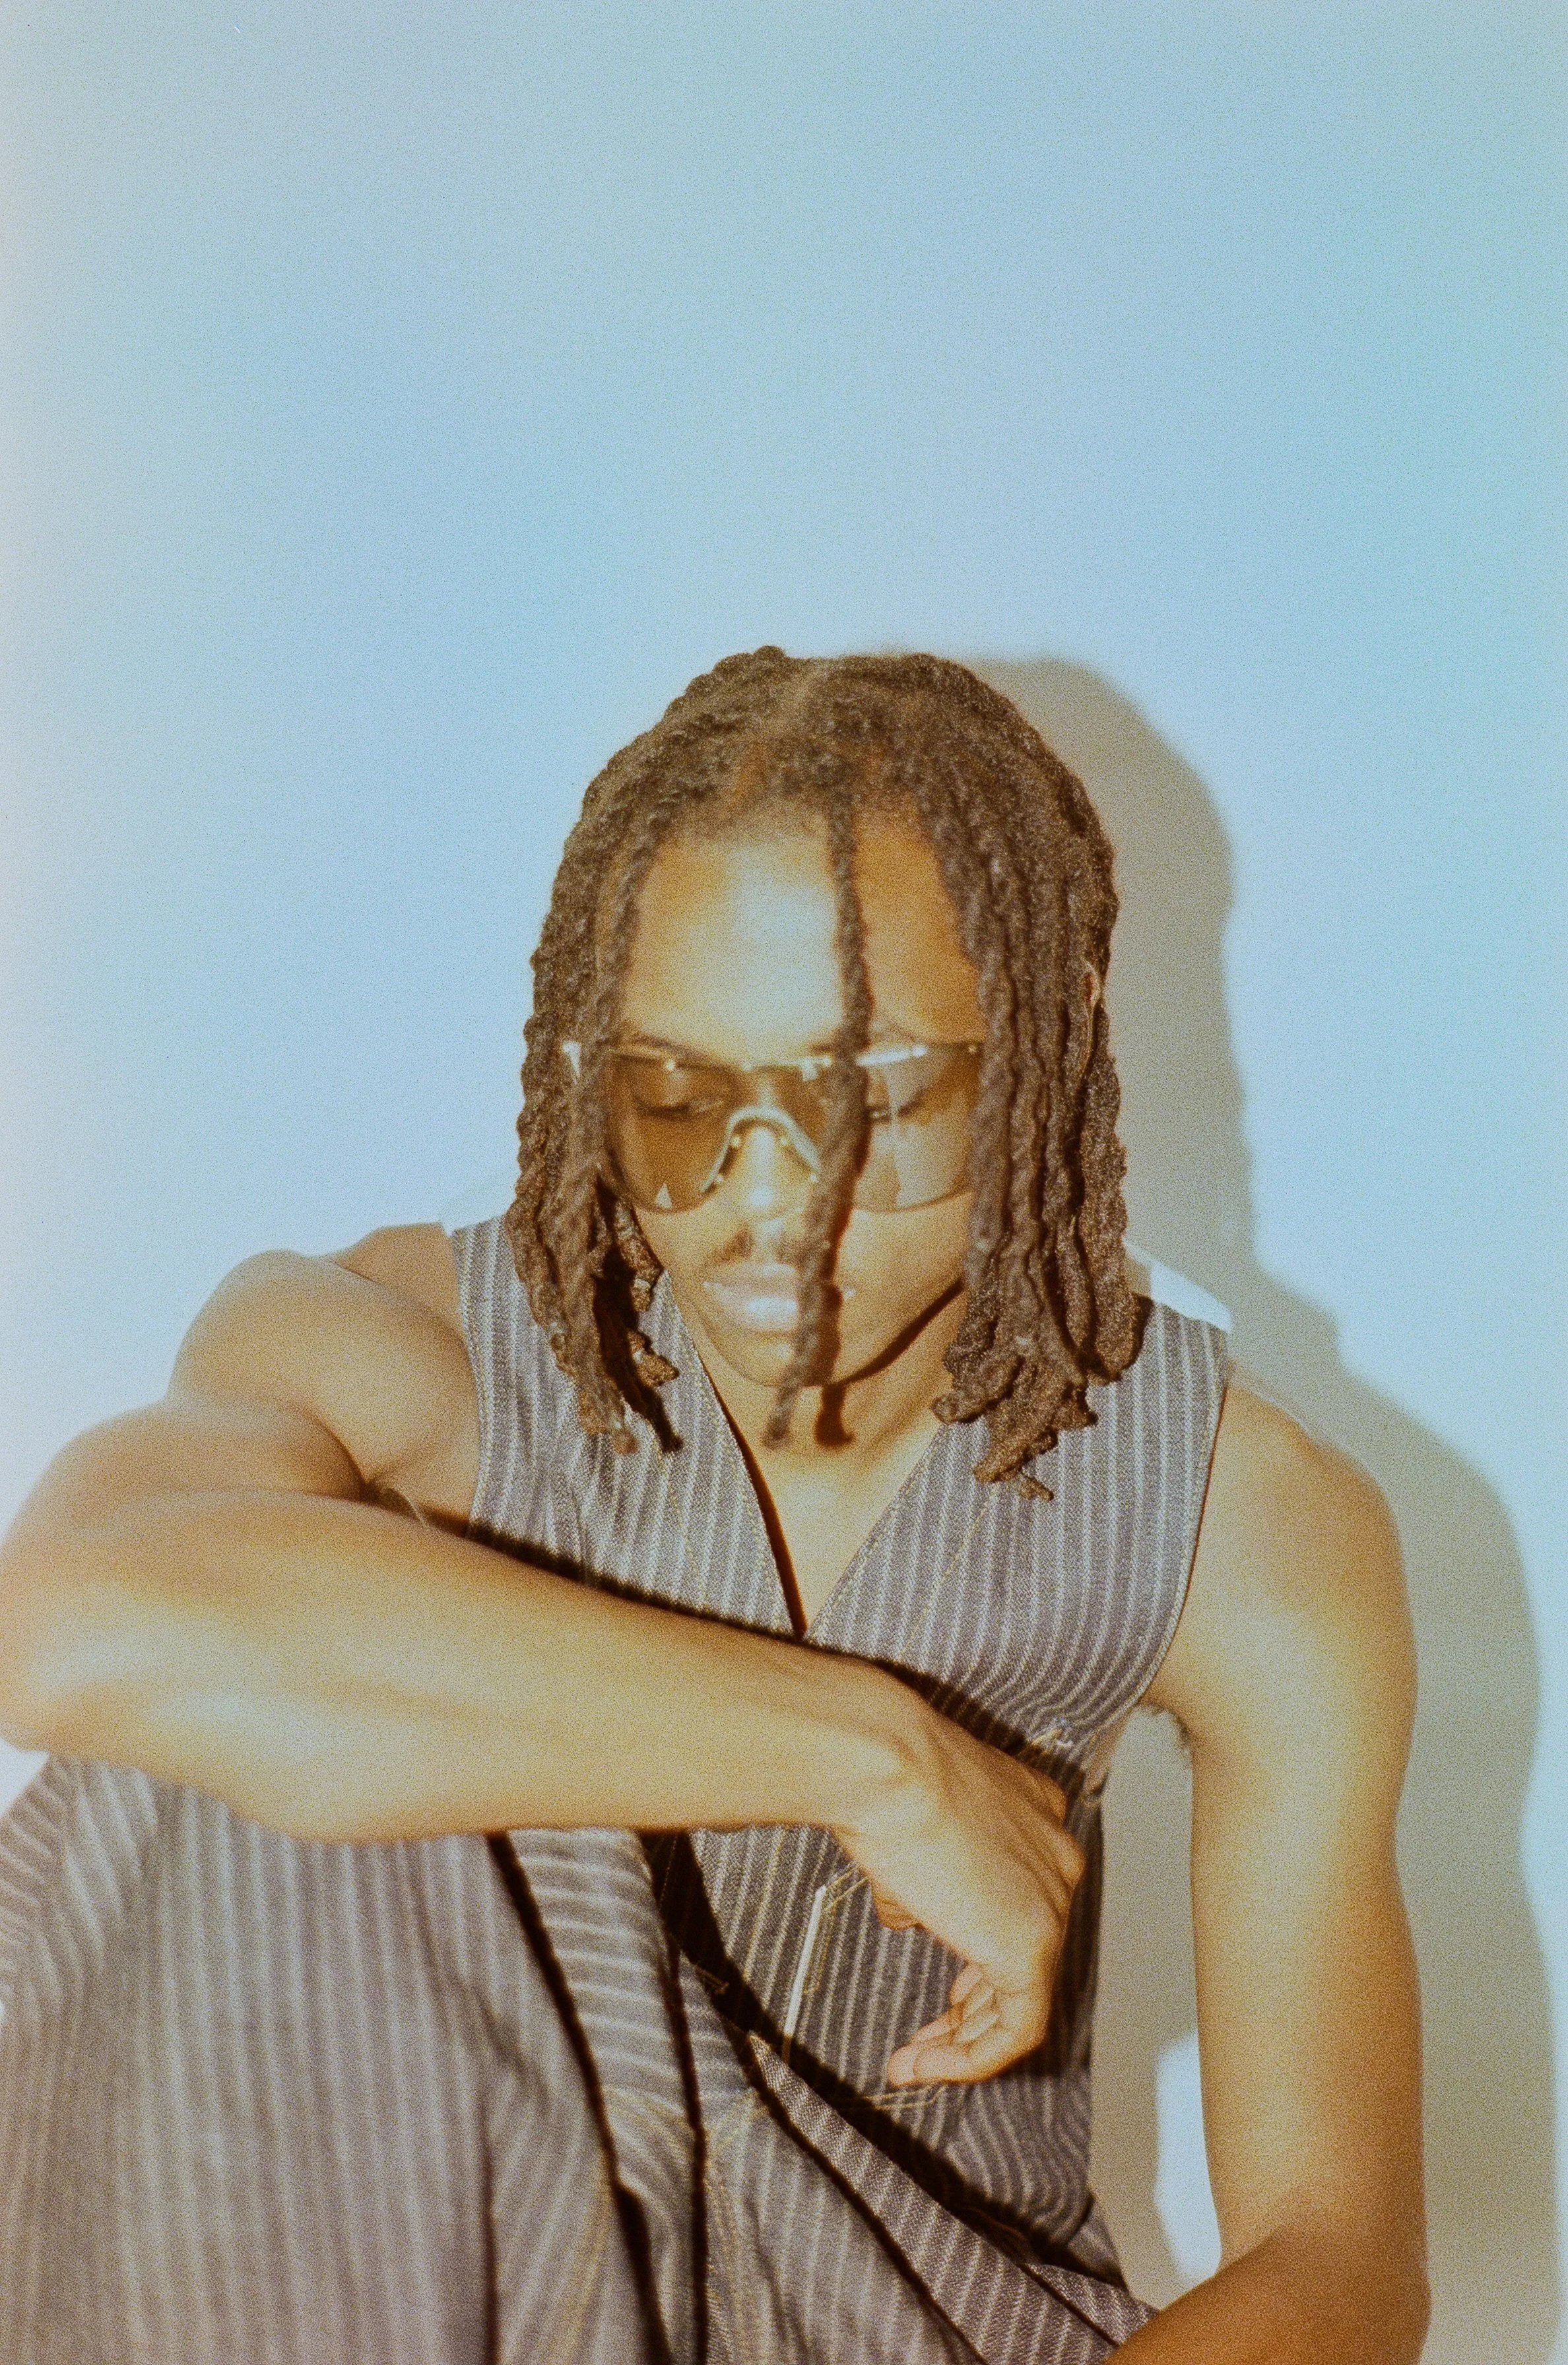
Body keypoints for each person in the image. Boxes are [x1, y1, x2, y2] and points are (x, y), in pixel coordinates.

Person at [0, 649, 1427, 2362]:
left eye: (874, 1101)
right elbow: (76, 1623)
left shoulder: (1244, 1520)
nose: (768, 1207)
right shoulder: (404, 1355)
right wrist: (874, 1757)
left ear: (1050, 1037)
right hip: (443, 2294)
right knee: (247, 1730)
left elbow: (1337, 2256)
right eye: (677, 1101)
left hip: (932, 2335)